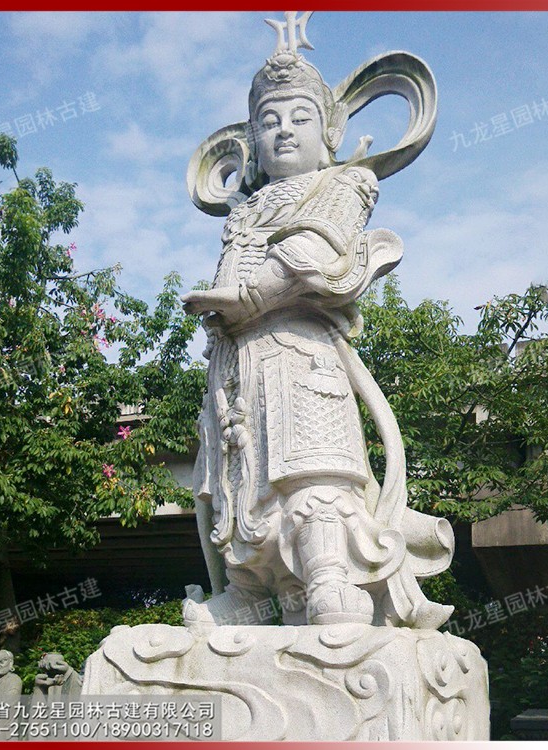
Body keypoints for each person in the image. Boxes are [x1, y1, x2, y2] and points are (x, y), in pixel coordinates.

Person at [181, 13, 453, 629]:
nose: (283, 130)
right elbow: (231, 277)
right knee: (240, 478)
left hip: (300, 352)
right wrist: (227, 309)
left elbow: (315, 255)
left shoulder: (344, 185)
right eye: (269, 121)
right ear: (252, 137)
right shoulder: (244, 211)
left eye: (299, 118)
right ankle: (252, 591)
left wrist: (248, 300)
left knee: (312, 469)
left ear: (327, 130)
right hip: (239, 366)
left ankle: (329, 574)